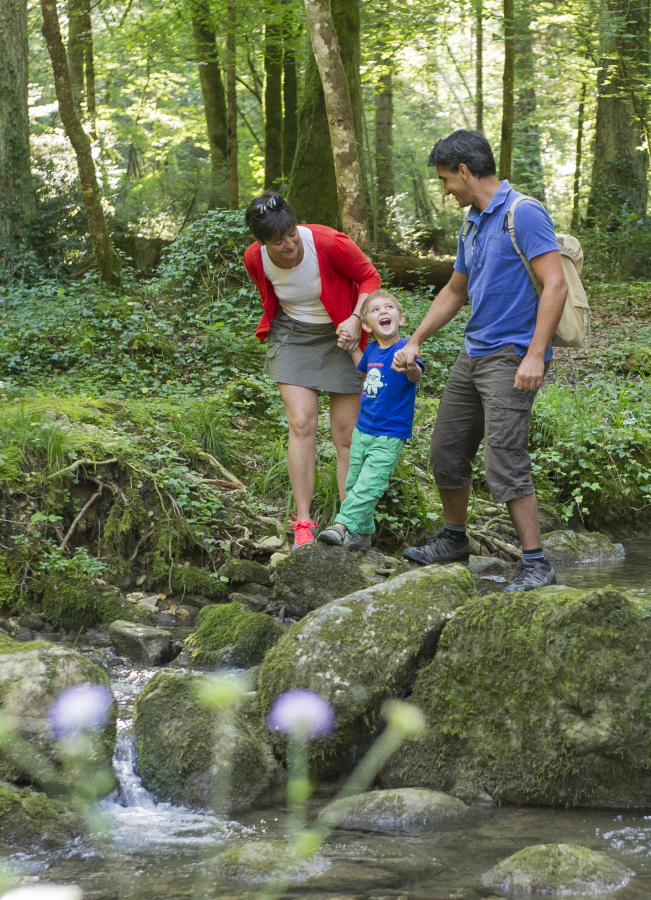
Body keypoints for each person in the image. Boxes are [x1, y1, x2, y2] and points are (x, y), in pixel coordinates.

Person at [392, 129, 568, 591]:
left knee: (503, 458)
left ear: (465, 171)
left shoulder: (523, 213)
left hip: (511, 356)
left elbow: (556, 284)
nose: (446, 190)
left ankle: (535, 561)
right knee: (446, 451)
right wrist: (415, 339)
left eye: (446, 180)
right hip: (473, 353)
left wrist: (535, 354)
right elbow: (455, 290)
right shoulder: (472, 221)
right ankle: (454, 539)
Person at [242, 192, 382, 550]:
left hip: (343, 332)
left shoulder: (327, 242)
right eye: (278, 241)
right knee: (302, 423)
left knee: (345, 434)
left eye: (291, 234)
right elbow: (268, 293)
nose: (289, 244)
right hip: (294, 336)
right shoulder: (254, 259)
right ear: (262, 243)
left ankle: (351, 521)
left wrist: (355, 319)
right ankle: (302, 523)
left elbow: (370, 278)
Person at [317, 290, 423, 552]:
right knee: (353, 483)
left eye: (389, 307)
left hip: (390, 433)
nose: (383, 312)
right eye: (375, 310)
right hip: (362, 430)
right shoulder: (373, 349)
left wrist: (410, 367)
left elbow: (416, 375)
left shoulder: (405, 348)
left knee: (368, 485)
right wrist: (353, 348)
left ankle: (341, 526)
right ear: (366, 325)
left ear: (401, 318)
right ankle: (363, 536)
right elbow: (363, 368)